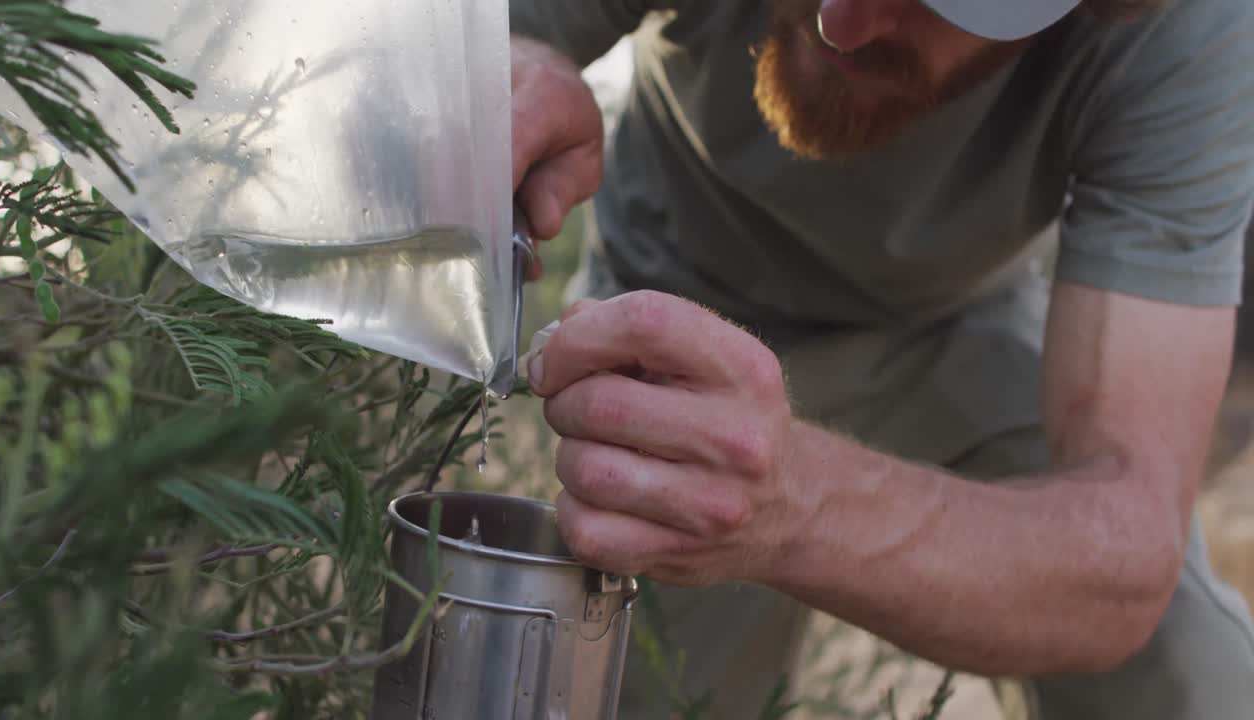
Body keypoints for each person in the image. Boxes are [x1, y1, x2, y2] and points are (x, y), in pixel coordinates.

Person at [508, 0, 1254, 717]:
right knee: (636, 686)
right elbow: (478, 43)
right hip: (674, 307)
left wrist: (800, 501)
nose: (838, 20)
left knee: (1186, 677)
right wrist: (508, 76)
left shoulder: (1186, 34)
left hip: (956, 330)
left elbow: (1126, 557)